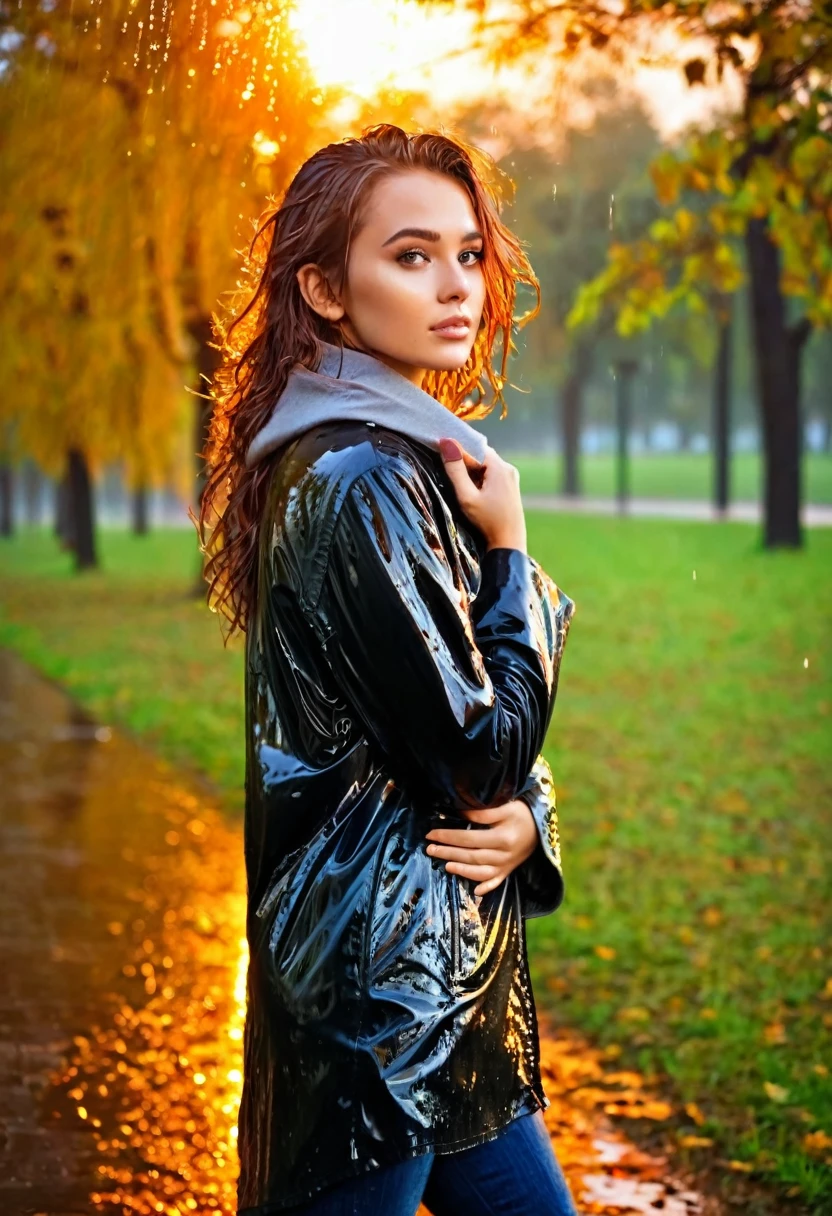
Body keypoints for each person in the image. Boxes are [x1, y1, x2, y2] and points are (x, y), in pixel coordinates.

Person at [195, 123, 578, 1216]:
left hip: (437, 977)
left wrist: (525, 824)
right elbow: (473, 748)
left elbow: (442, 726)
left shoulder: (386, 455)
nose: (455, 285)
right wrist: (509, 554)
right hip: (384, 994)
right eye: (411, 256)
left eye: (466, 253)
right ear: (322, 287)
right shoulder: (363, 472)